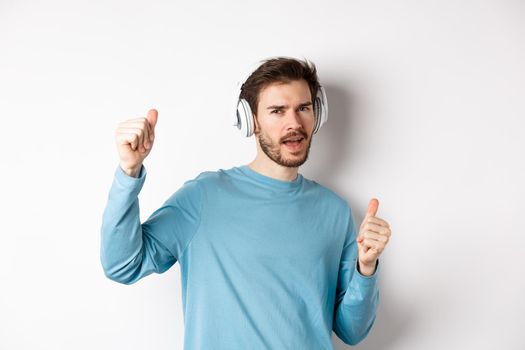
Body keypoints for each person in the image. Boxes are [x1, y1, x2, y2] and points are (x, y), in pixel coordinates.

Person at [100, 56, 392, 349]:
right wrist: (129, 172)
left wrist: (365, 268)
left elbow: (352, 331)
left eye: (303, 108)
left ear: (317, 114)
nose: (294, 123)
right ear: (249, 119)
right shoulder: (204, 196)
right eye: (277, 111)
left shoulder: (334, 211)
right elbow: (122, 265)